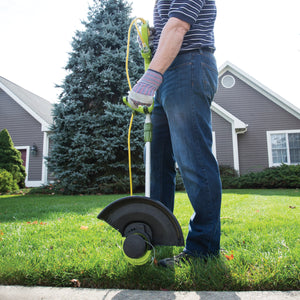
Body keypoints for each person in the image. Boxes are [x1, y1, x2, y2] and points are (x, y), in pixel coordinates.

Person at [128, 0, 222, 267]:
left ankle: (203, 250)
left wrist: (151, 75)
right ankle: (157, 237)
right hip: (169, 72)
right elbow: (168, 28)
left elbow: (178, 26)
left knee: (194, 160)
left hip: (189, 66)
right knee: (157, 160)